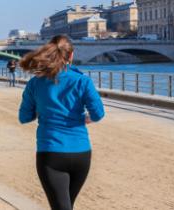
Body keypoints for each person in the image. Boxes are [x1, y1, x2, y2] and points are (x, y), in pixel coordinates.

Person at [18, 35, 105, 210]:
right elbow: (98, 114)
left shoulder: (35, 83)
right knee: (66, 206)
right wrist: (86, 118)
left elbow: (24, 117)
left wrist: (44, 108)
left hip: (51, 153)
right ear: (71, 56)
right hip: (81, 152)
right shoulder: (83, 81)